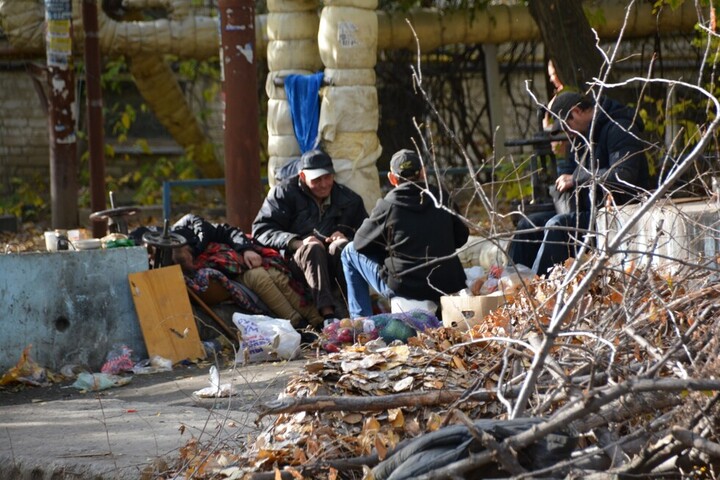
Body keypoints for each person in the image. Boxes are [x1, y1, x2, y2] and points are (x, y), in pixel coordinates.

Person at [508, 90, 650, 275]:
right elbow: (568, 172)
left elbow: (623, 176)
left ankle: (534, 290)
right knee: (528, 225)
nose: (567, 133)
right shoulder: (580, 136)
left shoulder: (620, 127)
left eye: (567, 126)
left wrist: (577, 178)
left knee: (558, 226)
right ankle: (510, 284)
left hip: (615, 214)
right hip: (585, 210)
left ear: (576, 111)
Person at [341, 149, 469, 319]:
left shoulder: (388, 204)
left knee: (349, 252)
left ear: (392, 178)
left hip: (407, 287)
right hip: (449, 282)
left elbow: (359, 243)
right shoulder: (441, 197)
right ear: (422, 172)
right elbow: (461, 237)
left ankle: (361, 322)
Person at [252, 149, 368, 322]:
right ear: (302, 176)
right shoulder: (283, 194)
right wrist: (295, 242)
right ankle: (328, 316)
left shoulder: (349, 199)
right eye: (316, 179)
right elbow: (261, 230)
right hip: (298, 262)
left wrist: (347, 238)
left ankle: (357, 314)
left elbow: (368, 235)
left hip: (335, 262)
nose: (323, 184)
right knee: (312, 248)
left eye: (327, 177)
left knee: (342, 247)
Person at [171, 214, 323, 329]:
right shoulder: (168, 256)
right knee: (260, 276)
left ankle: (318, 321)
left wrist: (246, 250)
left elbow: (230, 233)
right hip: (231, 279)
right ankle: (299, 325)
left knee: (276, 274)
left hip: (239, 264)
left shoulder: (198, 232)